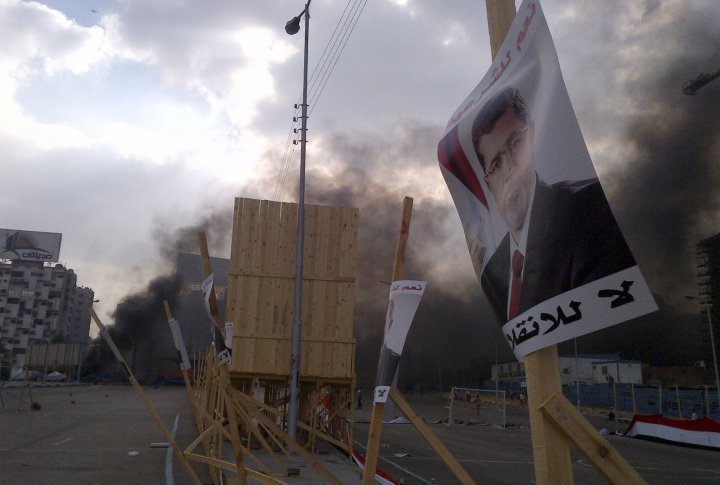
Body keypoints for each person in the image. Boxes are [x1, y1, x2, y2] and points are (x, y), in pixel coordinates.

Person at [471, 86, 636, 323]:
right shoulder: (494, 270)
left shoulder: (590, 209)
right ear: (489, 185)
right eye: (496, 163)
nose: (509, 167)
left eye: (516, 143)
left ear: (532, 137)